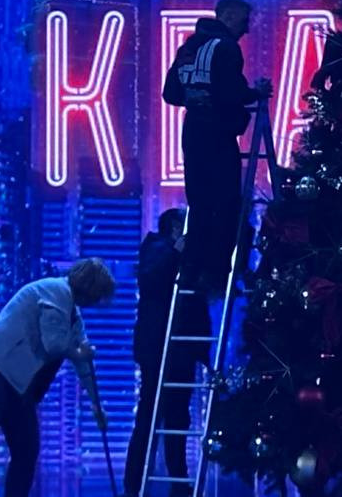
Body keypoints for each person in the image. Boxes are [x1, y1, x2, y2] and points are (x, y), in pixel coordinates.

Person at [0, 259, 116, 497]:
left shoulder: (73, 313)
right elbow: (54, 344)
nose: (97, 302)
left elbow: (83, 363)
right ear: (90, 288)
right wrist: (79, 352)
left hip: (15, 381)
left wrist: (96, 405)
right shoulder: (56, 292)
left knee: (26, 449)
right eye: (97, 295)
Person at [163, 0, 271, 294]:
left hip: (193, 135)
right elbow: (230, 92)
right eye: (244, 21)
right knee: (226, 206)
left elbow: (171, 93)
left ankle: (190, 271)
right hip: (218, 135)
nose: (246, 29)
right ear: (230, 15)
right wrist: (255, 93)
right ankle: (216, 275)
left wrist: (195, 97)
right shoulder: (226, 48)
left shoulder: (189, 48)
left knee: (199, 206)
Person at [124, 208, 214, 496]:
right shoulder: (155, 247)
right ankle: (134, 482)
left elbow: (197, 303)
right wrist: (176, 252)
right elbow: (151, 279)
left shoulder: (185, 257)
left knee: (178, 417)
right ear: (173, 227)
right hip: (157, 349)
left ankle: (178, 480)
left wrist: (202, 350)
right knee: (149, 416)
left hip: (180, 349)